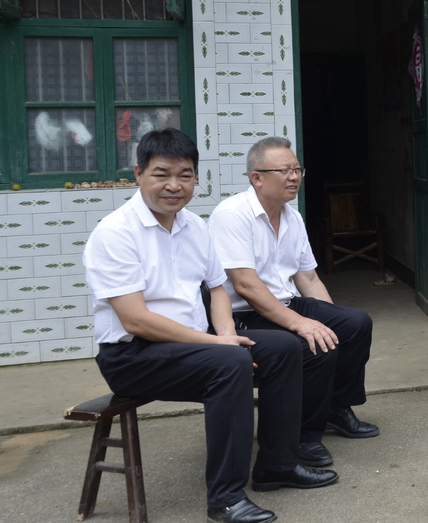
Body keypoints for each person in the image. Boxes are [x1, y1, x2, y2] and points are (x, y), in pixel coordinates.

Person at [85, 129, 336, 523]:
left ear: (197, 178)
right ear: (138, 174)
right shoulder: (115, 233)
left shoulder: (193, 226)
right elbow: (135, 319)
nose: (174, 185)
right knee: (230, 365)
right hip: (132, 355)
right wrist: (220, 347)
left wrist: (223, 335)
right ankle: (225, 498)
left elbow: (218, 289)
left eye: (185, 175)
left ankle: (277, 466)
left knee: (287, 347)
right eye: (161, 174)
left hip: (193, 345)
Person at [209, 137, 377, 471]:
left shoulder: (292, 217)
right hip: (246, 314)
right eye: (284, 170)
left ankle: (334, 407)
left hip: (286, 302)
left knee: (355, 324)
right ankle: (303, 437)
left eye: (297, 169)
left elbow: (309, 280)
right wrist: (303, 324)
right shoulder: (231, 215)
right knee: (314, 343)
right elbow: (245, 284)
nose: (294, 177)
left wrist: (331, 319)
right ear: (257, 177)